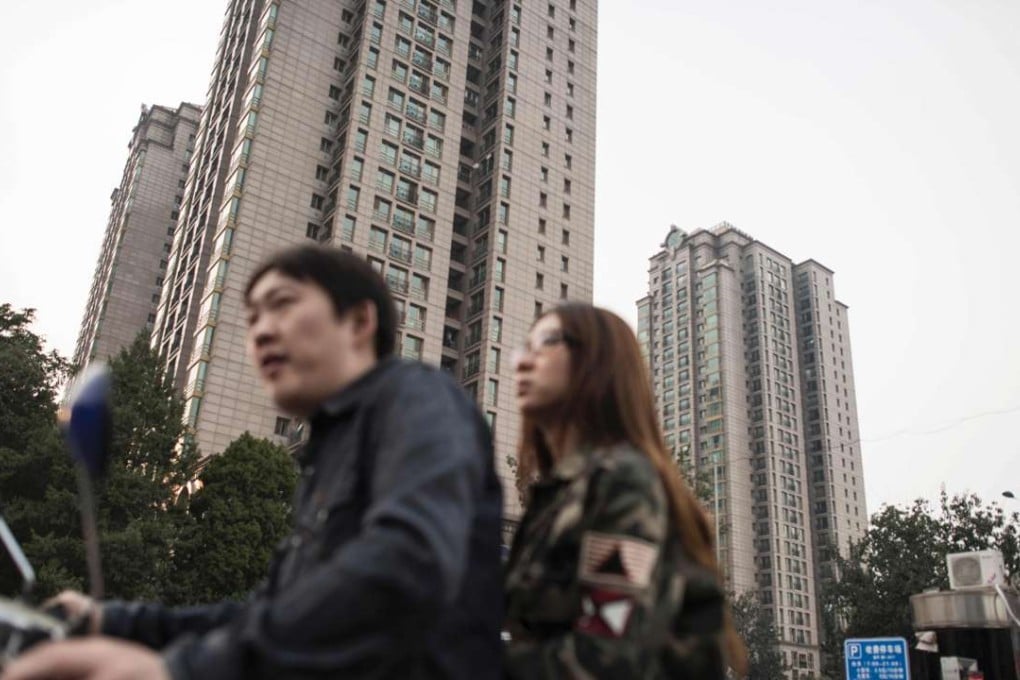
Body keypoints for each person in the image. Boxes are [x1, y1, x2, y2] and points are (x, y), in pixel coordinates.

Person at [3, 245, 503, 680]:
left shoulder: (417, 397)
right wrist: (114, 622)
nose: (262, 332)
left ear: (358, 322)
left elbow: (407, 565)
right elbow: (270, 616)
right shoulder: (325, 455)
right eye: (252, 319)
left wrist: (183, 671)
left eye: (281, 306)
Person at [503, 303, 747, 678]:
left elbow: (607, 655)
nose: (522, 361)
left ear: (596, 363)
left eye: (547, 342)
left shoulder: (623, 481)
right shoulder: (557, 495)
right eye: (524, 347)